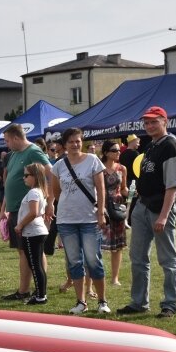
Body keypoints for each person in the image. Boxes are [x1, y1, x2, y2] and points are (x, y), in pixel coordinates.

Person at [117, 106, 176, 319]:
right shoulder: (152, 145)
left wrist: (164, 215)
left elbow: (172, 185)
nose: (149, 125)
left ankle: (170, 305)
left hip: (159, 207)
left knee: (167, 259)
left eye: (154, 121)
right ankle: (138, 302)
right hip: (142, 206)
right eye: (146, 122)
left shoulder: (170, 145)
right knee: (137, 257)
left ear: (165, 121)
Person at [49, 127, 109, 315]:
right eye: (71, 141)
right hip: (66, 220)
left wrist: (100, 213)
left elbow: (101, 189)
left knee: (93, 260)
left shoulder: (92, 160)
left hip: (90, 219)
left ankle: (102, 301)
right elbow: (56, 192)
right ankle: (81, 302)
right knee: (74, 262)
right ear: (64, 145)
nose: (75, 144)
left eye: (78, 141)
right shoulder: (59, 165)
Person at [0, 124, 52, 301]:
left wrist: (50, 202)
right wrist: (4, 207)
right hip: (16, 209)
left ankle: (31, 289)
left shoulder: (33, 151)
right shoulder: (13, 155)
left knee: (32, 251)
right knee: (23, 251)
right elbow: (9, 182)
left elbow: (50, 173)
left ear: (15, 137)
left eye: (7, 140)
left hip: (29, 211)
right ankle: (31, 288)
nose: (7, 144)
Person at [14, 163, 49, 305]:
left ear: (35, 176)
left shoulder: (34, 192)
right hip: (37, 231)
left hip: (33, 232)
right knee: (37, 264)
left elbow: (33, 212)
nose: (24, 178)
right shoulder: (39, 191)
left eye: (27, 175)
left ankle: (40, 296)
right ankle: (42, 293)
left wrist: (20, 224)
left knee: (35, 265)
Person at [100, 140, 128, 286]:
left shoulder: (122, 168)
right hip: (101, 208)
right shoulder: (98, 168)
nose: (118, 152)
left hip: (117, 209)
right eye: (114, 150)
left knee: (117, 246)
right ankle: (95, 278)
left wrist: (129, 192)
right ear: (105, 152)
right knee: (98, 244)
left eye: (119, 150)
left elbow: (123, 188)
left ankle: (114, 278)